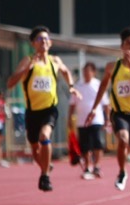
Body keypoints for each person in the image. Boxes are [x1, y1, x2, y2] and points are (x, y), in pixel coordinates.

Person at [7, 25, 79, 192]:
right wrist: (26, 69)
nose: (44, 42)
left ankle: (45, 176)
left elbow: (66, 72)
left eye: (46, 39)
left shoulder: (55, 61)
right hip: (32, 111)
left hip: (49, 109)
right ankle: (46, 166)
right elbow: (10, 83)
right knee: (34, 149)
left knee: (44, 136)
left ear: (51, 42)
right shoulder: (27, 60)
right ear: (33, 43)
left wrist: (71, 86)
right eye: (40, 39)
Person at [87, 27, 130, 205]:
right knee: (123, 139)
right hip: (119, 113)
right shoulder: (111, 67)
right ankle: (122, 171)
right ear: (122, 46)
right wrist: (94, 108)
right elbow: (102, 88)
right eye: (128, 44)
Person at [70, 62, 109, 181]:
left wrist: (107, 118)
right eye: (84, 71)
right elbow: (72, 104)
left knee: (98, 143)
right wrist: (69, 118)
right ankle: (87, 167)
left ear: (93, 72)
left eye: (88, 71)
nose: (86, 74)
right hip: (82, 120)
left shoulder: (98, 85)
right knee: (85, 145)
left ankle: (97, 166)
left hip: (96, 119)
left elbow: (106, 104)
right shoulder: (78, 86)